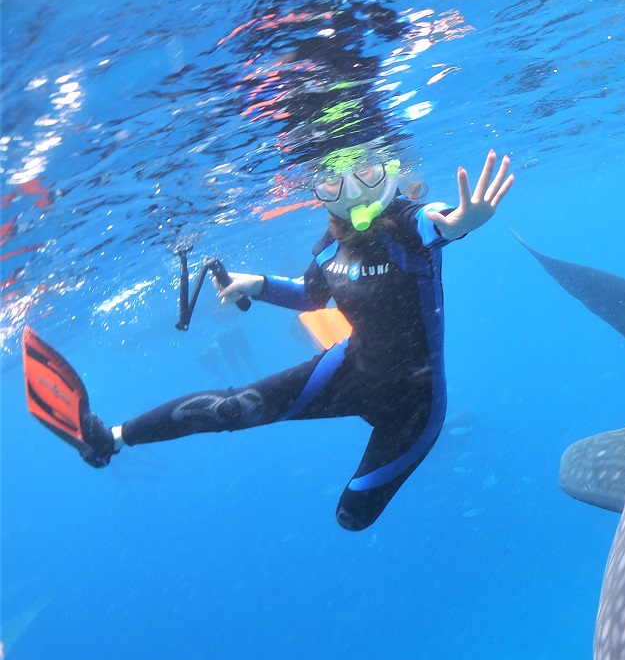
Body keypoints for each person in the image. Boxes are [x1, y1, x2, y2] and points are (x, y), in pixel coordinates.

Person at [76, 148, 514, 530]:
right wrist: (258, 285)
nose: (353, 193)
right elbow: (311, 295)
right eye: (332, 183)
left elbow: (438, 223)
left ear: (390, 171)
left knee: (353, 518)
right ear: (318, 192)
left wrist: (461, 222)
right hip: (347, 371)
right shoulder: (329, 244)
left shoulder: (408, 223)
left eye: (366, 173)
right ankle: (112, 437)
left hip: (414, 408)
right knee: (232, 407)